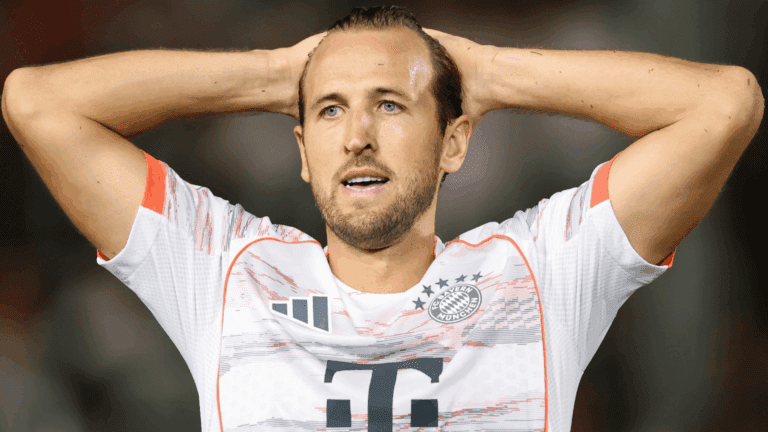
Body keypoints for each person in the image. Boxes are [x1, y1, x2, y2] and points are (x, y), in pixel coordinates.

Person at [2, 4, 762, 432]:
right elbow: (37, 103)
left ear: (454, 142)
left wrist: (490, 72)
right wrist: (275, 74)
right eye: (331, 110)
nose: (358, 135)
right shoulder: (224, 270)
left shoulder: (540, 271)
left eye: (391, 105)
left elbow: (724, 105)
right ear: (303, 152)